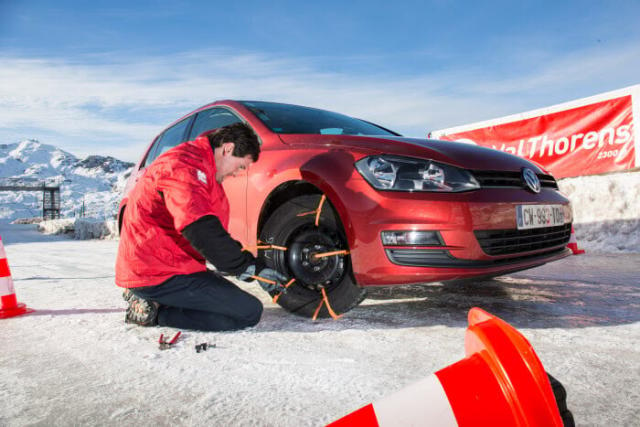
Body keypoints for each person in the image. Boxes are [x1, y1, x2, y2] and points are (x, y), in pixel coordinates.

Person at [115, 123, 287, 331]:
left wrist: (251, 267)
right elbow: (200, 228)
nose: (237, 173)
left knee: (234, 305)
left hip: (174, 265)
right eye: (241, 166)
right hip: (156, 271)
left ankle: (149, 296)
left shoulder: (204, 169)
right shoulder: (184, 165)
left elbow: (214, 234)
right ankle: (153, 311)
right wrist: (246, 266)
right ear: (228, 149)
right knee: (247, 312)